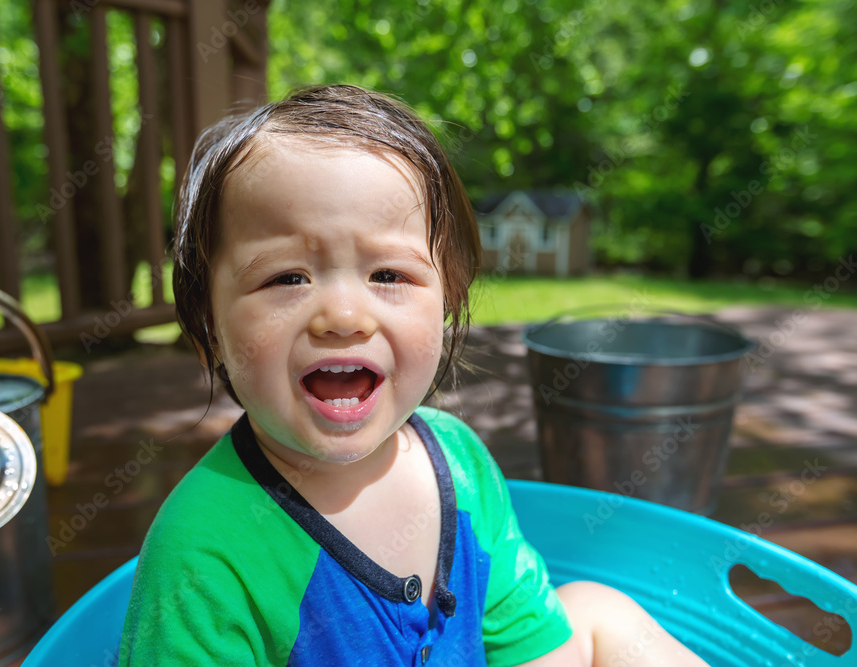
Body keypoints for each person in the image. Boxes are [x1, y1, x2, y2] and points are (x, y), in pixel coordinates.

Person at [119, 84, 708, 666]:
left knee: (599, 611)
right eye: (286, 279)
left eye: (389, 276)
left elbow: (531, 646)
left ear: (448, 301)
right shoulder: (203, 555)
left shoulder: (458, 460)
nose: (344, 316)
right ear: (208, 328)